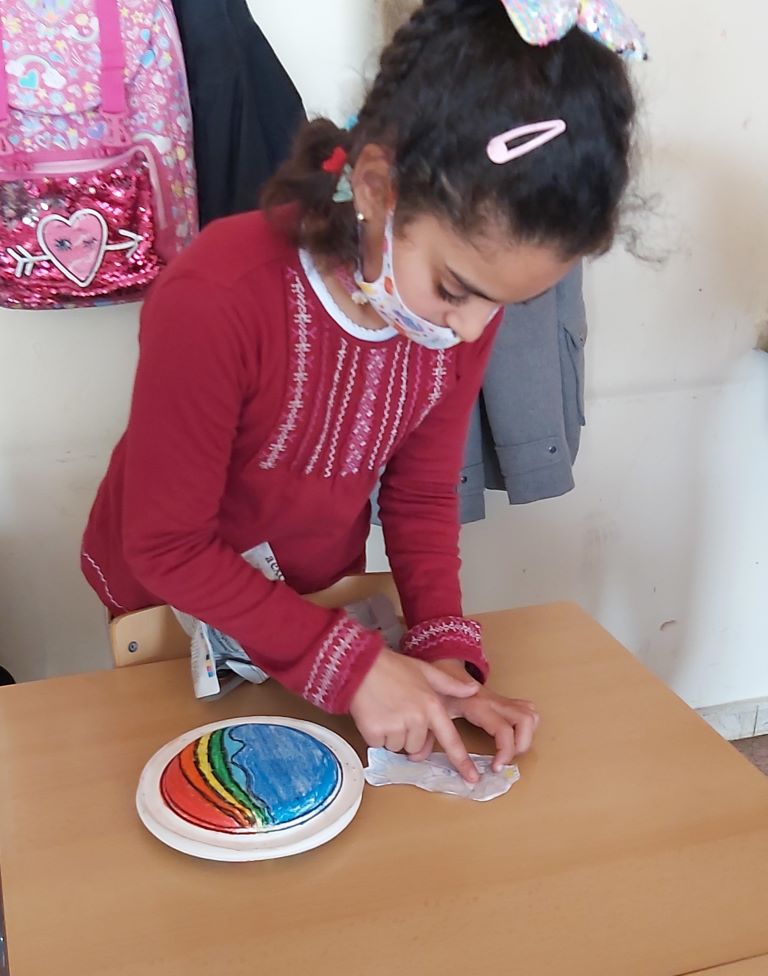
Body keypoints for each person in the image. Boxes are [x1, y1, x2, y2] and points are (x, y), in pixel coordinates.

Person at [81, 0, 643, 782]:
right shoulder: (218, 294)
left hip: (307, 600)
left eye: (503, 305)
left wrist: (443, 658)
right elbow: (167, 545)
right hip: (168, 611)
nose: (472, 331)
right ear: (377, 186)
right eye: (456, 289)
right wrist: (350, 665)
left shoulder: (453, 321)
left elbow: (420, 496)